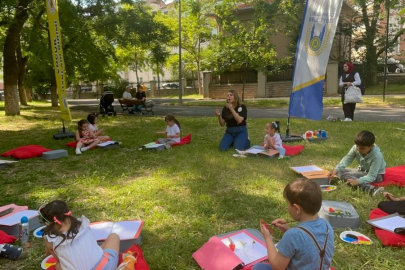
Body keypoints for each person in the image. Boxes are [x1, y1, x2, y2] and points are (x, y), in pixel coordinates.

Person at [254, 178, 334, 270]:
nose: (287, 207)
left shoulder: (292, 235)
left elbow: (277, 267)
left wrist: (268, 238)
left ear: (297, 209)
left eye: (288, 204)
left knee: (258, 267)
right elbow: (306, 245)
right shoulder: (327, 225)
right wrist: (288, 229)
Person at [39, 200, 120, 270]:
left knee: (58, 265)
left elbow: (59, 260)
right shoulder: (83, 224)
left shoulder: (50, 240)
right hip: (105, 267)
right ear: (68, 213)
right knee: (113, 236)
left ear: (47, 224)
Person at [328, 130, 386, 196]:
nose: (358, 149)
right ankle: (352, 181)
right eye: (357, 146)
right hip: (362, 171)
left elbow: (371, 176)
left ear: (371, 146)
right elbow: (347, 159)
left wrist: (357, 181)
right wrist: (336, 169)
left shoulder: (377, 156)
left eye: (362, 148)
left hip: (377, 175)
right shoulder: (356, 147)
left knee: (346, 175)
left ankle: (372, 190)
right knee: (339, 170)